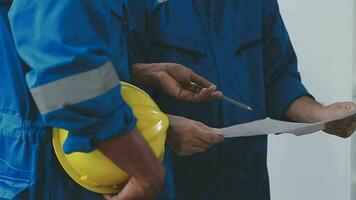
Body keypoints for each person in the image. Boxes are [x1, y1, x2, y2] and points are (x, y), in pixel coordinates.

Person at [125, 0, 356, 199]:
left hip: (245, 181)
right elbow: (113, 93)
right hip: (169, 183)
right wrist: (164, 128)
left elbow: (278, 79)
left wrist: (321, 115)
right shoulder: (136, 4)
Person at [0, 0, 222, 199]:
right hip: (56, 166)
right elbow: (64, 72)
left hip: (85, 155)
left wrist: (135, 71)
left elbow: (63, 41)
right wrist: (147, 175)